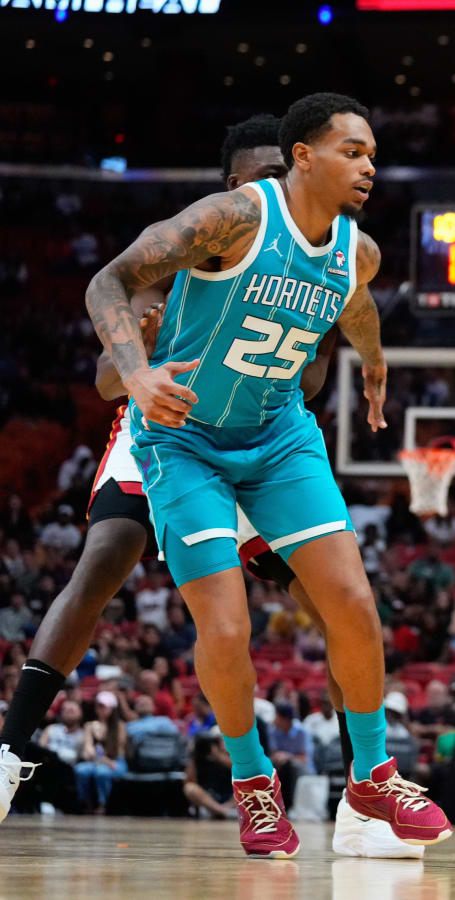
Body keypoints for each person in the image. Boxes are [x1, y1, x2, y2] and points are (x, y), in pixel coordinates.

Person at [82, 93, 450, 855]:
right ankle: (253, 783)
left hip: (279, 436)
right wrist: (137, 373)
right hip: (184, 438)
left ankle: (373, 776)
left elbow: (357, 304)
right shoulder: (232, 219)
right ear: (304, 157)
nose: (369, 167)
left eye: (373, 155)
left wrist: (375, 363)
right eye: (353, 152)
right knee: (226, 627)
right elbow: (107, 283)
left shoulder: (358, 250)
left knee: (352, 602)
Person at [0, 115, 340, 832]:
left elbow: (311, 386)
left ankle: (361, 785)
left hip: (248, 440)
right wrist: (142, 361)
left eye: (284, 176)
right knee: (102, 562)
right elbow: (104, 381)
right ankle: (8, 751)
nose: (277, 189)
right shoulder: (179, 258)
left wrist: (298, 350)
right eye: (263, 177)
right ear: (232, 185)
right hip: (164, 431)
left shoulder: (312, 267)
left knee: (334, 602)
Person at [75, 690, 127, 812]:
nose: (99, 709)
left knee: (102, 772)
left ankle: (102, 804)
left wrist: (102, 759)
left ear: (112, 708)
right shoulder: (89, 726)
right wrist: (97, 757)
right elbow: (88, 748)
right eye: (98, 705)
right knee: (81, 770)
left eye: (103, 706)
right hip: (96, 760)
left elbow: (117, 749)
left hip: (116, 761)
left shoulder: (120, 726)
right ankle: (85, 802)